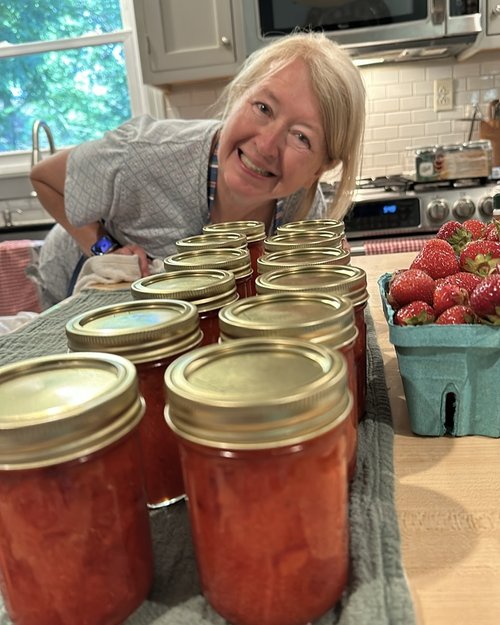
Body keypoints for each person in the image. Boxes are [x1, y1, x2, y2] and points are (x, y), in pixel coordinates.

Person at [30, 30, 365, 308]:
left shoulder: (303, 209)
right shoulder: (144, 153)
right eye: (263, 107)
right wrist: (106, 249)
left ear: (321, 167)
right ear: (237, 95)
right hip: (75, 282)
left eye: (301, 137)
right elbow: (46, 178)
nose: (265, 146)